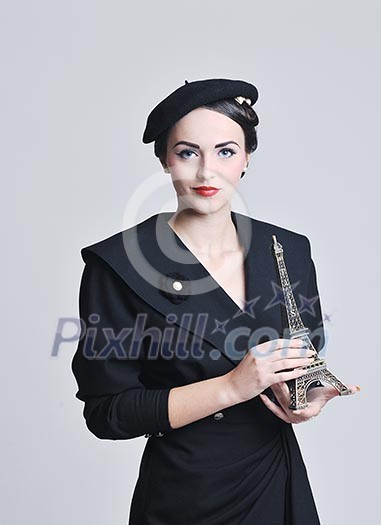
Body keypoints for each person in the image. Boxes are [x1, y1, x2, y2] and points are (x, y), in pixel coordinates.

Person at [71, 78, 360, 524]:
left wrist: (304, 399)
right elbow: (107, 412)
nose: (207, 172)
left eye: (225, 151)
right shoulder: (119, 264)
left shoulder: (287, 248)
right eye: (188, 152)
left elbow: (301, 360)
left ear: (246, 158)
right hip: (186, 495)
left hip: (275, 481)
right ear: (165, 161)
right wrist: (230, 387)